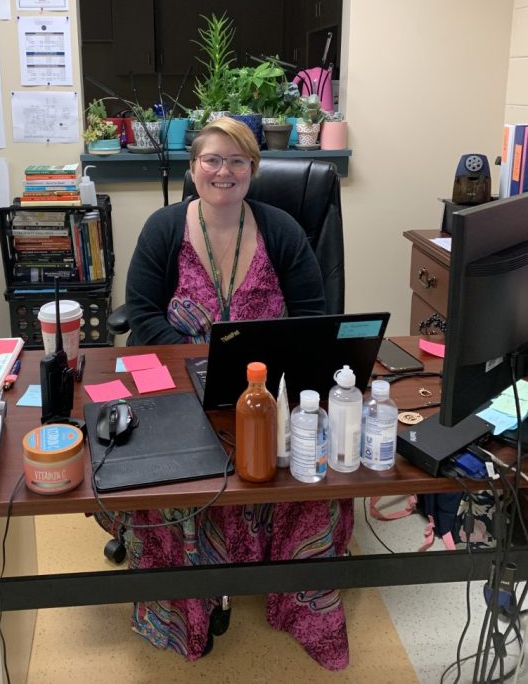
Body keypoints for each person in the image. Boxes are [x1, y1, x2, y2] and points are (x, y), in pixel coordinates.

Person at [96, 117, 353, 668]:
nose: (224, 171)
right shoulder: (163, 229)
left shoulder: (281, 229)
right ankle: (191, 600)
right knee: (173, 479)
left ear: (253, 171)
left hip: (273, 388)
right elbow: (140, 314)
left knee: (317, 473)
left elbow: (312, 315)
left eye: (238, 161)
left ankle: (294, 596)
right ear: (194, 168)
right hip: (185, 386)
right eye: (212, 159)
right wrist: (197, 364)